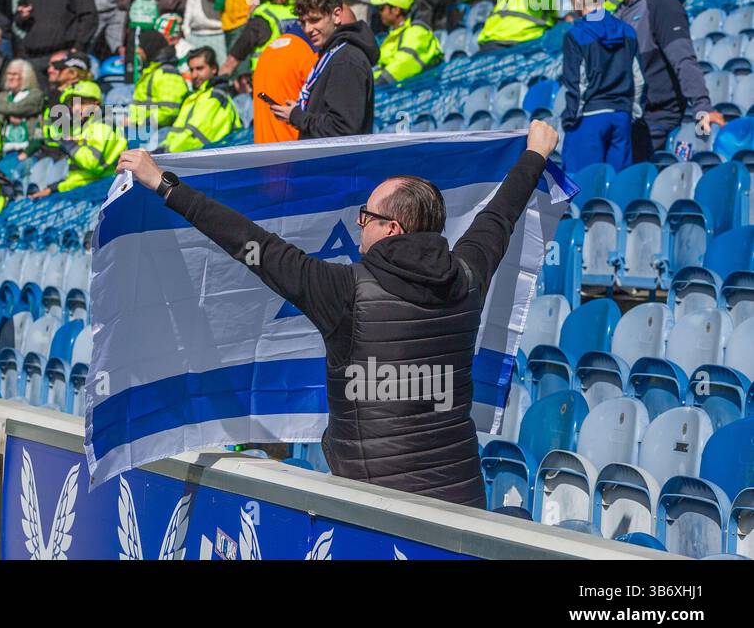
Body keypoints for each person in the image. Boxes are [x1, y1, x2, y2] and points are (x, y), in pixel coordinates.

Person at [115, 119, 561, 507]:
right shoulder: (467, 274)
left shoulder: (344, 290)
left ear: (393, 228)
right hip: (460, 501)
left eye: (366, 216)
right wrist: (535, 155)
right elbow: (501, 216)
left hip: (376, 510)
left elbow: (252, 246)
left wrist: (166, 185)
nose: (358, 224)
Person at [610, 0, 725, 160]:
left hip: (655, 123)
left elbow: (683, 58)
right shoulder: (622, 12)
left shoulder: (661, 2)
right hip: (627, 120)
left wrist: (703, 107)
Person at [267, 0, 378, 140]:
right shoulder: (333, 53)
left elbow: (343, 128)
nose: (307, 29)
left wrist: (298, 116)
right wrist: (298, 113)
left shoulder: (346, 60)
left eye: (314, 20)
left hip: (337, 163)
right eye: (303, 22)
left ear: (337, 15)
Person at [561, 2, 644, 174]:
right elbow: (638, 79)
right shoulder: (628, 31)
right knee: (617, 187)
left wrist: (570, 119)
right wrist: (632, 112)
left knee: (581, 189)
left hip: (589, 118)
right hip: (622, 116)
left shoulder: (576, 34)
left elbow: (577, 84)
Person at [31, 80, 127, 194]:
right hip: (83, 189)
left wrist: (69, 143)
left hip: (103, 190)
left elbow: (91, 163)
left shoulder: (103, 125)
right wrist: (54, 188)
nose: (76, 108)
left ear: (96, 104)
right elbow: (79, 177)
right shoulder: (83, 127)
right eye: (73, 103)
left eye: (82, 102)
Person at [161, 47, 242, 153]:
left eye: (200, 69)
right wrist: (163, 147)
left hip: (208, 162)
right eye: (191, 70)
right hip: (187, 156)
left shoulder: (216, 96)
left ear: (213, 69)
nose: (194, 75)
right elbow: (177, 132)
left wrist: (165, 152)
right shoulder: (195, 97)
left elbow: (196, 135)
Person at [371, 0, 444, 85]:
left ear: (396, 10)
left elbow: (405, 62)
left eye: (382, 8)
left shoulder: (416, 31)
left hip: (412, 93)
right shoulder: (395, 34)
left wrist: (379, 82)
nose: (380, 12)